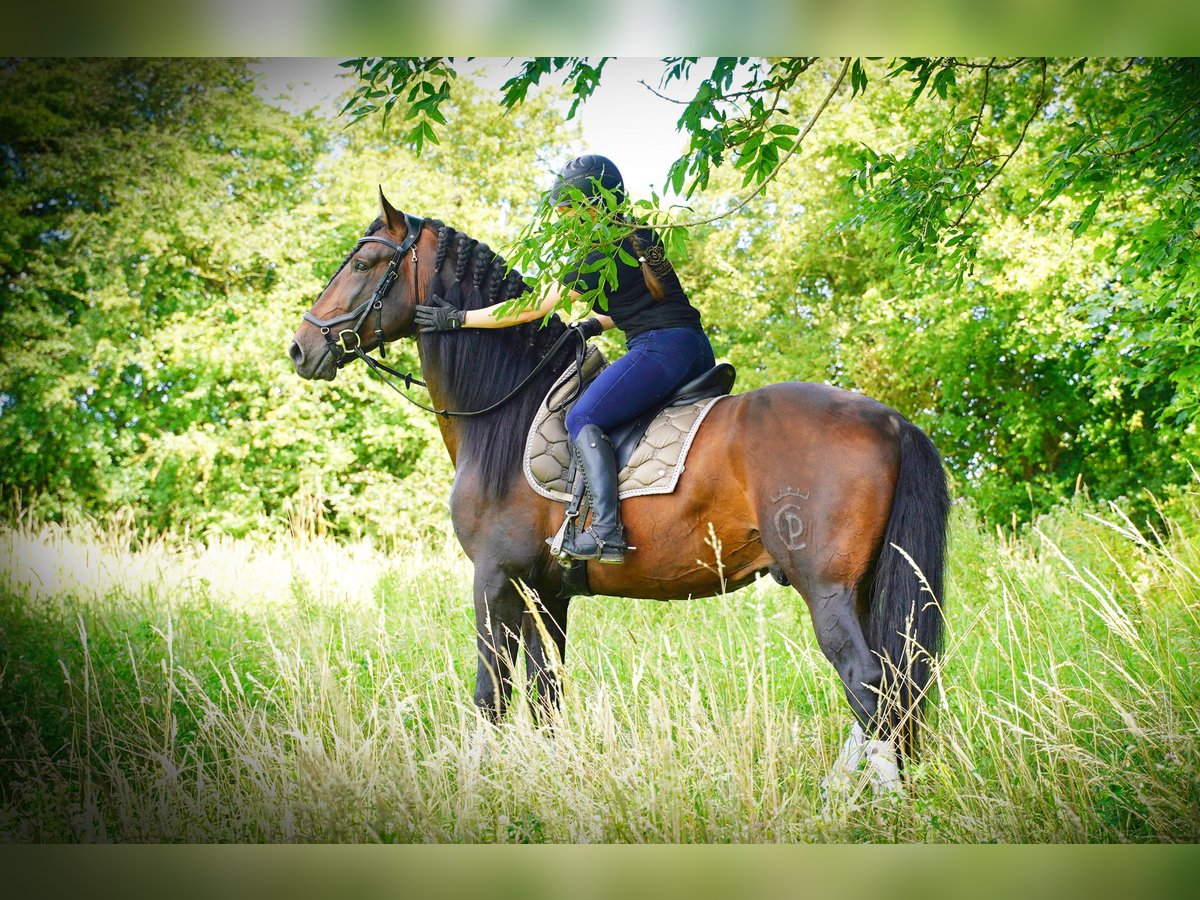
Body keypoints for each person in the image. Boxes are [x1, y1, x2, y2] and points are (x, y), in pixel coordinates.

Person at [415, 154, 716, 564]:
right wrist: (595, 325)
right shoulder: (638, 238)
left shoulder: (600, 250)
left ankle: (607, 532)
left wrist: (459, 319)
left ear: (593, 204)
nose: (562, 221)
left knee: (581, 418)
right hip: (693, 347)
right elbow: (641, 302)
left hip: (658, 349)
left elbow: (532, 307)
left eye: (567, 210)